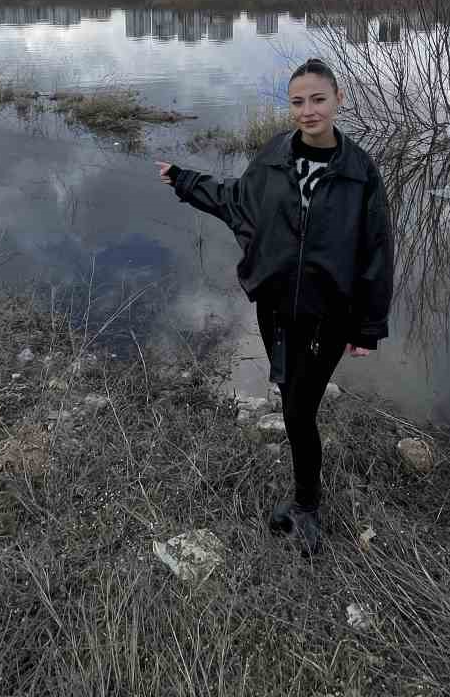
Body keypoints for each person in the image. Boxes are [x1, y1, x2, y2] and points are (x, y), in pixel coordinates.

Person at [156, 57, 394, 557]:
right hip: (277, 308)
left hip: (329, 314)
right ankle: (306, 497)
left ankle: (307, 505)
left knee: (300, 408)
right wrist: (183, 180)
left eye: (318, 99)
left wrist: (368, 326)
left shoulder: (360, 172)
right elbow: (235, 199)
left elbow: (376, 251)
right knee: (290, 396)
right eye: (298, 102)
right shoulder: (272, 157)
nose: (308, 111)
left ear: (338, 100)